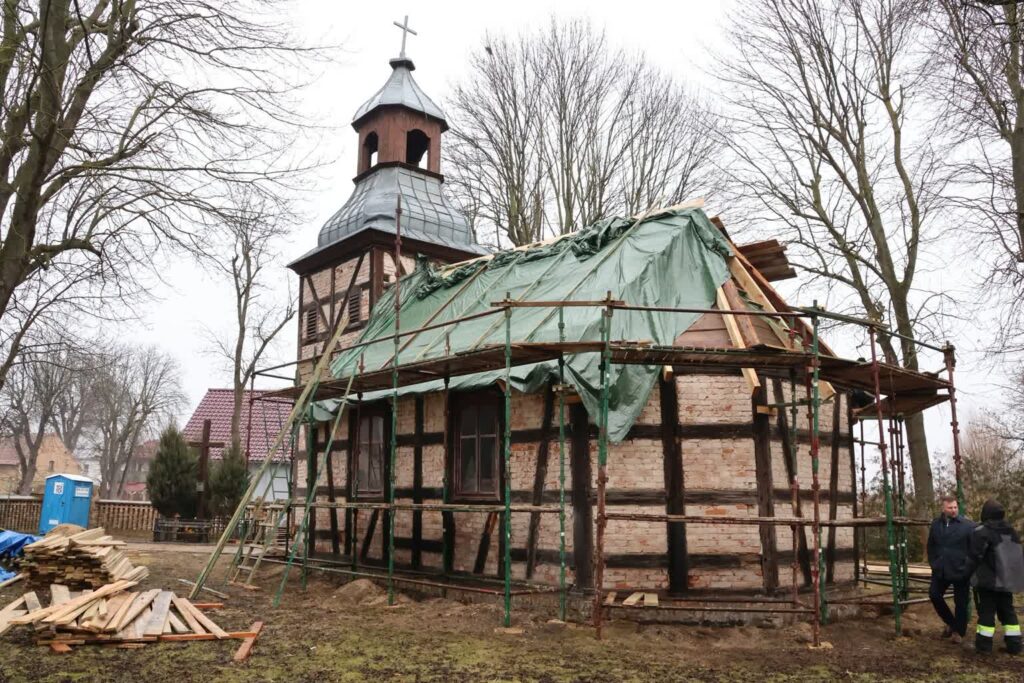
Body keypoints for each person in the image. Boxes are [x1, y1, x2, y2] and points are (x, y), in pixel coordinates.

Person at [969, 499, 1024, 655]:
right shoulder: (1011, 531)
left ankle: (983, 646)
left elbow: (975, 556)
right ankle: (1014, 645)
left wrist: (967, 573)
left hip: (988, 582)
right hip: (1007, 581)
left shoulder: (982, 532)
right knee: (1008, 612)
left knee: (986, 613)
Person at [927, 495, 973, 643]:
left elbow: (974, 548)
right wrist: (934, 563)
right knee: (934, 595)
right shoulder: (935, 524)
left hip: (960, 570)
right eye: (950, 507)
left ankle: (959, 633)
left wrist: (967, 566)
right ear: (943, 508)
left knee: (961, 602)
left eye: (955, 507)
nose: (953, 510)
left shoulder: (967, 525)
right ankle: (952, 624)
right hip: (941, 569)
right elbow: (931, 546)